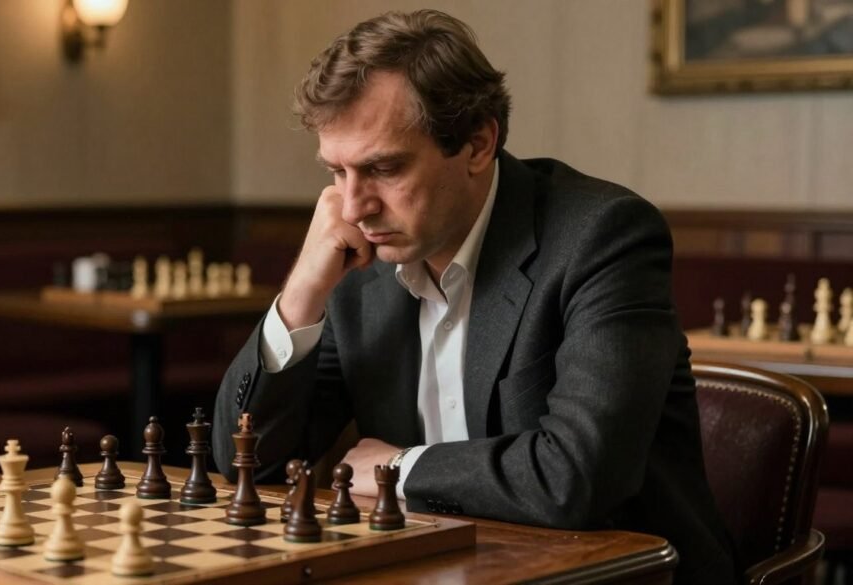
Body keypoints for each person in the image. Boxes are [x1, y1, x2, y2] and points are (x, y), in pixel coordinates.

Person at [212, 9, 736, 583]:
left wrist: (398, 467)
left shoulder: (603, 238)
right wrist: (301, 295)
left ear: (478, 143)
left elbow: (576, 480)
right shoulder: (360, 263)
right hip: (440, 568)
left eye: (383, 168)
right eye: (336, 172)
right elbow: (250, 460)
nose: (353, 205)